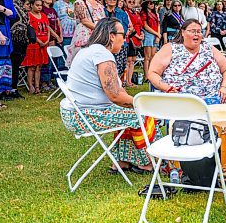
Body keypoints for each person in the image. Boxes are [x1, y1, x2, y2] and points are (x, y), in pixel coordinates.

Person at [60, 18, 160, 173]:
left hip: (74, 113)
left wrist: (131, 101)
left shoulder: (90, 50)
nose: (125, 38)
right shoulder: (102, 54)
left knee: (128, 112)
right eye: (123, 34)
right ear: (112, 36)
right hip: (84, 116)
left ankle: (122, 161)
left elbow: (118, 94)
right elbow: (115, 96)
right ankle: (150, 161)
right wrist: (143, 104)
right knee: (144, 114)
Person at [148, 19, 226, 105]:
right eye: (192, 31)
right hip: (180, 101)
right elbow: (152, 73)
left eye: (199, 31)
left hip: (213, 99)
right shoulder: (170, 48)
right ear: (183, 32)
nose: (196, 34)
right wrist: (167, 88)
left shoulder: (209, 48)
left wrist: (224, 87)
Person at [66, 0, 105, 66]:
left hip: (98, 33)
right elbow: (84, 20)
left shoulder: (98, 3)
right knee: (83, 60)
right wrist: (100, 29)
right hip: (85, 33)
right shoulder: (79, 2)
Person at [4, 0, 28, 100]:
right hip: (10, 35)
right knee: (9, 63)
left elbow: (24, 15)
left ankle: (13, 88)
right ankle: (6, 90)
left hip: (21, 36)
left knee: (16, 64)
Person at [21, 0, 50, 94]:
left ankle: (37, 86)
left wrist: (47, 40)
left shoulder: (44, 16)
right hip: (34, 44)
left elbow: (48, 28)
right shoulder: (29, 16)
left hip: (44, 43)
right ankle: (31, 86)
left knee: (39, 66)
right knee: (32, 66)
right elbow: (30, 31)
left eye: (40, 5)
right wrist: (38, 41)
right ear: (32, 5)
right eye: (37, 5)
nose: (39, 7)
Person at [103, 0, 130, 79]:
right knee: (106, 67)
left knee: (119, 67)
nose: (112, 0)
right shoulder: (101, 11)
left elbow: (125, 29)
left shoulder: (122, 13)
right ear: (106, 0)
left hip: (118, 43)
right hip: (105, 43)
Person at [140, 0, 161, 83]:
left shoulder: (155, 13)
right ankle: (146, 76)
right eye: (151, 3)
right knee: (147, 57)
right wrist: (156, 33)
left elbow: (158, 24)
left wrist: (158, 35)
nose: (153, 5)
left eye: (153, 3)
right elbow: (145, 26)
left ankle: (151, 74)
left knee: (153, 56)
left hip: (155, 34)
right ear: (146, 4)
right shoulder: (144, 13)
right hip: (149, 34)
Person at [124, 0, 144, 87]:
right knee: (128, 60)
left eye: (133, 2)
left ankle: (130, 81)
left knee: (133, 60)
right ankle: (126, 81)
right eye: (129, 2)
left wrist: (142, 34)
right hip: (131, 37)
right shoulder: (126, 12)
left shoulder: (135, 13)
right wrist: (137, 36)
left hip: (138, 37)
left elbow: (140, 25)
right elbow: (130, 26)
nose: (132, 4)